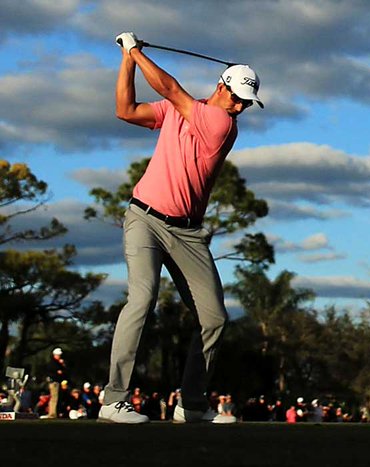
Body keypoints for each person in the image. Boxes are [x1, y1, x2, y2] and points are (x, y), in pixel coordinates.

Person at [99, 31, 261, 425]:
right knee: (142, 299)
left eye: (246, 103)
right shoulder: (183, 112)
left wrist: (133, 50)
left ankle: (191, 404)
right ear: (222, 86)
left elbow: (171, 88)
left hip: (188, 234)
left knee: (214, 318)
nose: (240, 107)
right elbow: (126, 109)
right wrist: (126, 59)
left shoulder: (221, 124)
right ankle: (114, 400)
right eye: (237, 97)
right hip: (145, 219)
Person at [46, 347, 69, 419]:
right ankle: (52, 414)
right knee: (54, 398)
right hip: (54, 382)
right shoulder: (53, 363)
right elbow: (58, 372)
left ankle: (55, 413)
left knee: (57, 398)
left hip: (57, 382)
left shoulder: (59, 363)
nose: (59, 356)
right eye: (58, 355)